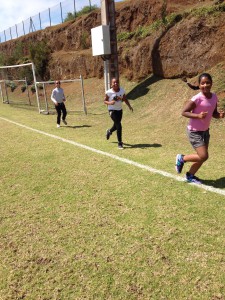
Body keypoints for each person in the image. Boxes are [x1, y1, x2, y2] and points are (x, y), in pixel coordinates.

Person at [176, 73, 224, 184]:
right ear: (199, 85)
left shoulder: (214, 97)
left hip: (205, 131)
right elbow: (184, 112)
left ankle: (190, 175)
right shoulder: (197, 98)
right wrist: (198, 116)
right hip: (194, 131)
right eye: (202, 83)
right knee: (203, 155)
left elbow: (214, 113)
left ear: (211, 83)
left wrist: (219, 115)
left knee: (202, 157)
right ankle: (182, 158)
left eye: (207, 82)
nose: (205, 85)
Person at [104, 78, 133, 149]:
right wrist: (110, 103)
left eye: (117, 82)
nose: (115, 84)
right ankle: (120, 143)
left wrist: (129, 106)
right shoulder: (109, 92)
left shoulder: (122, 90)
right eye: (114, 82)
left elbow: (125, 99)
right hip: (112, 110)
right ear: (111, 84)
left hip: (119, 110)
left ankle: (109, 131)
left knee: (116, 125)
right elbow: (105, 101)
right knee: (119, 126)